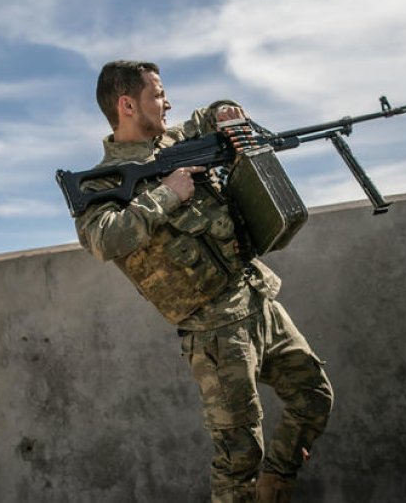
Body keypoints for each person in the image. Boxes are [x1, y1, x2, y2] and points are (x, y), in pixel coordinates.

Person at [74, 61, 334, 502]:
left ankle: (275, 484)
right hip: (214, 331)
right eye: (158, 95)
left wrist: (225, 110)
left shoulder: (178, 139)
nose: (167, 103)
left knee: (314, 397)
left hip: (257, 297)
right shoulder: (103, 181)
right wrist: (167, 194)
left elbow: (210, 114)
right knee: (238, 458)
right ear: (127, 105)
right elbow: (102, 238)